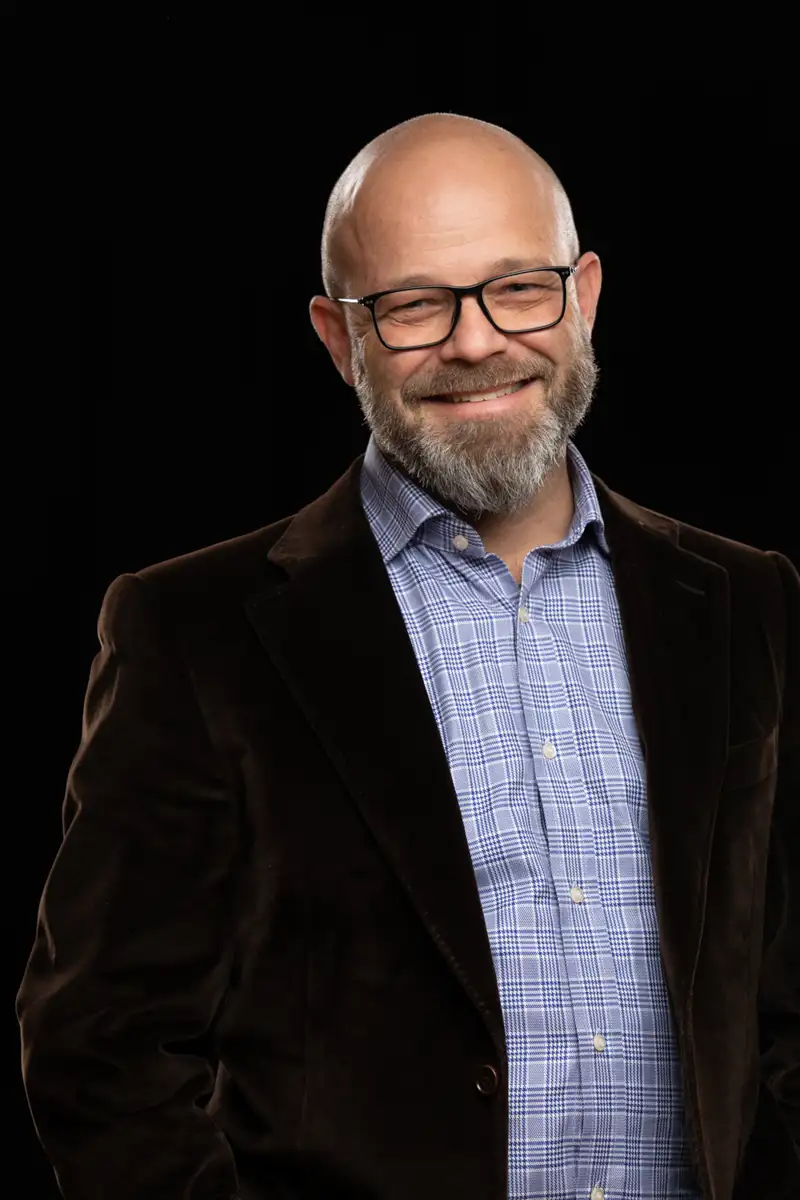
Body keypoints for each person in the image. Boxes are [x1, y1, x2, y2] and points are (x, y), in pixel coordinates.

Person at [16, 113, 798, 1200]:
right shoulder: (193, 631)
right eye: (413, 305)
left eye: (516, 287)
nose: (475, 341)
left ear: (582, 297)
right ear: (340, 340)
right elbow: (99, 1048)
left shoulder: (746, 602)